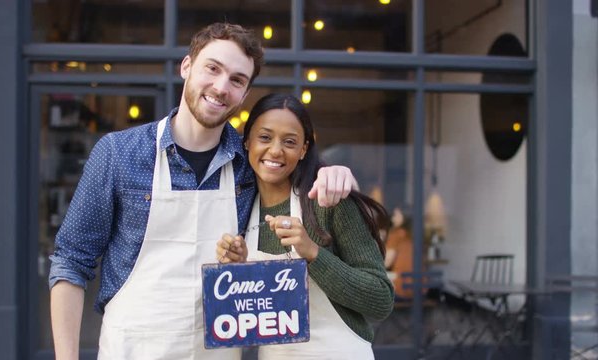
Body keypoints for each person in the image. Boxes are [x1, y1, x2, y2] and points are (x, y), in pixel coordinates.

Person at [49, 23, 357, 360]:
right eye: (212, 68)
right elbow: (71, 262)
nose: (221, 87)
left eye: (237, 80)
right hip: (133, 348)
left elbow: (300, 173)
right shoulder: (119, 154)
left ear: (243, 94)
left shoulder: (249, 162)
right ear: (186, 67)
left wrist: (338, 174)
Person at [217, 93, 394, 359]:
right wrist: (240, 271)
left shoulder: (327, 202)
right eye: (265, 137)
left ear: (303, 149)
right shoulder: (240, 208)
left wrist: (312, 252)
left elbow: (380, 299)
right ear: (247, 142)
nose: (276, 150)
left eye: (290, 142)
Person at [384, 207, 415, 299]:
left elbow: (386, 263)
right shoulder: (412, 235)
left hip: (401, 287)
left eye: (396, 215)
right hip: (419, 288)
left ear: (404, 217)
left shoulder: (396, 234)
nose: (392, 219)